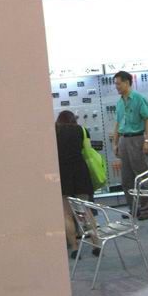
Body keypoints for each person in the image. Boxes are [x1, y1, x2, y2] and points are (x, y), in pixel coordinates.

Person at [54, 110, 97, 258]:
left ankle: (74, 248)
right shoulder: (81, 130)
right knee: (86, 210)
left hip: (63, 173)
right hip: (80, 171)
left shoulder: (55, 131)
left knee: (66, 213)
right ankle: (96, 244)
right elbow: (88, 151)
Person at [112, 71, 148, 220]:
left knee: (142, 176)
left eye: (118, 83)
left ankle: (147, 210)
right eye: (115, 84)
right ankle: (134, 209)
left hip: (137, 139)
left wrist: (147, 140)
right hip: (124, 140)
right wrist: (115, 143)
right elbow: (118, 123)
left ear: (127, 82)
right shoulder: (119, 102)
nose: (116, 86)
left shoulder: (138, 98)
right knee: (126, 179)